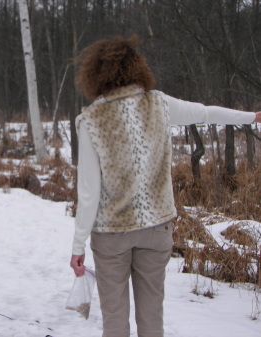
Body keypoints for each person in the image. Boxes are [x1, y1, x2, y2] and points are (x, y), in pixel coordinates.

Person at [69, 35, 261, 337]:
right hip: (156, 229)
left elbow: (89, 193)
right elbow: (205, 112)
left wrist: (78, 245)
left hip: (111, 235)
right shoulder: (159, 103)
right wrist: (251, 117)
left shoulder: (91, 119)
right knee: (152, 318)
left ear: (95, 74)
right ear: (136, 68)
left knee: (115, 321)